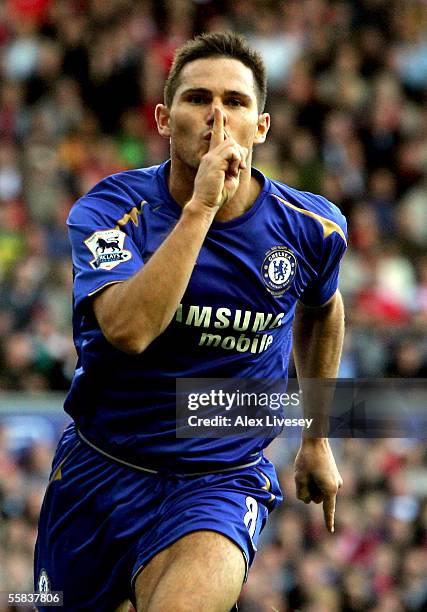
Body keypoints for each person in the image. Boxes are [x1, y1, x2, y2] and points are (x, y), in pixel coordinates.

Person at [34, 32, 346, 612]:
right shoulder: (108, 211)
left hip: (219, 482)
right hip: (100, 471)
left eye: (235, 102)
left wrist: (317, 437)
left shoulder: (311, 229)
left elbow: (324, 307)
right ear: (163, 117)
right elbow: (128, 330)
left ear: (262, 126)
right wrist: (200, 210)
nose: (217, 116)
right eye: (199, 99)